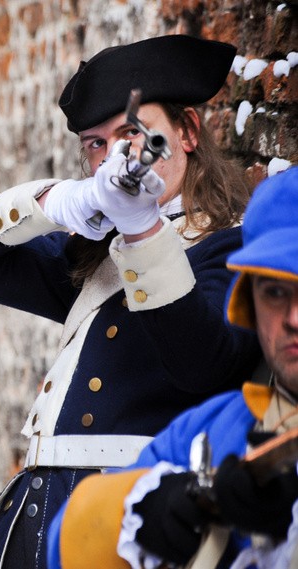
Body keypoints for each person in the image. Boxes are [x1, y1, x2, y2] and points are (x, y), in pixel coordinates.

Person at [0, 34, 261, 568]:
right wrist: (59, 202)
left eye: (129, 133)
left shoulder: (235, 247)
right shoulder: (95, 259)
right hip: (36, 512)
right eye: (94, 146)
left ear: (188, 131)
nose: (112, 159)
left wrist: (144, 231)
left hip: (130, 521)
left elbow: (203, 362)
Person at [46, 166, 298, 569]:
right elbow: (64, 543)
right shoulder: (216, 428)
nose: (294, 318)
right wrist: (151, 508)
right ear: (250, 301)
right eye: (275, 292)